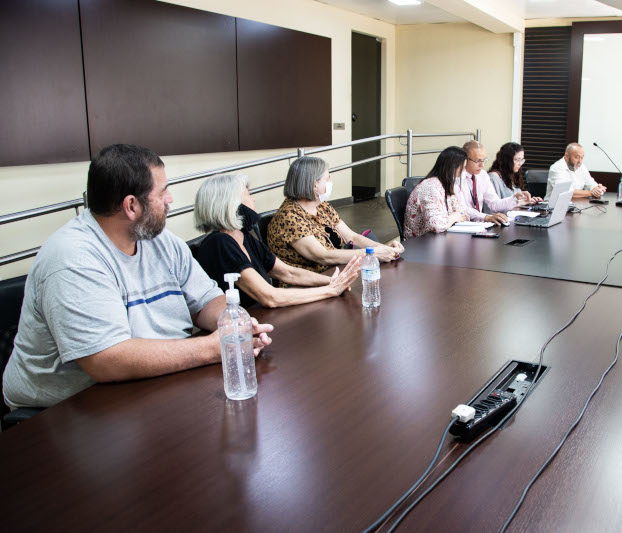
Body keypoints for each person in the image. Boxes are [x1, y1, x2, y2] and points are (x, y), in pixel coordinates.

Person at [2, 144, 273, 409]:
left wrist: (234, 326)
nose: (170, 199)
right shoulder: (72, 258)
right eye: (163, 191)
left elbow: (205, 300)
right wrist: (214, 348)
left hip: (149, 384)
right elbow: (107, 360)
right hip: (65, 410)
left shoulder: (162, 240)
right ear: (131, 206)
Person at [193, 174, 361, 309]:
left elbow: (288, 273)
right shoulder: (220, 243)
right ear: (231, 204)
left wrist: (333, 281)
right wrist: (329, 290)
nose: (253, 200)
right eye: (248, 195)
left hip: (259, 319)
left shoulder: (243, 236)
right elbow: (269, 296)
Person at [267, 157, 403, 277]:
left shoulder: (321, 205)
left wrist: (386, 250)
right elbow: (322, 256)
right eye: (327, 179)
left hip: (335, 274)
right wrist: (372, 253)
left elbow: (352, 237)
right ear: (315, 184)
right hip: (308, 284)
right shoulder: (289, 216)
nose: (330, 183)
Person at [456, 140, 529, 225]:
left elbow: (494, 203)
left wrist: (515, 198)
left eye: (483, 160)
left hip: (478, 226)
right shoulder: (457, 178)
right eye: (477, 161)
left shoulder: (482, 175)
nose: (482, 165)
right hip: (462, 226)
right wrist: (486, 217)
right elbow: (462, 208)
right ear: (465, 159)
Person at [404, 146, 470, 239]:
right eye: (462, 168)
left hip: (437, 240)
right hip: (420, 244)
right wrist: (454, 217)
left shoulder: (444, 184)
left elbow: (464, 214)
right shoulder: (430, 187)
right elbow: (436, 225)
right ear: (452, 167)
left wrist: (457, 216)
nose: (463, 172)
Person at [486, 142, 539, 210]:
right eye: (517, 160)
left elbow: (515, 202)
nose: (520, 164)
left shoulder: (511, 174)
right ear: (507, 160)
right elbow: (494, 207)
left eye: (522, 160)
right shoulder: (493, 178)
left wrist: (527, 201)